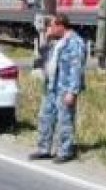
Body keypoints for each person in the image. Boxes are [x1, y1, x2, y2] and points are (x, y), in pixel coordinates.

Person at [30, 13, 87, 164]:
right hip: (51, 86)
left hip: (64, 88)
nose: (49, 28)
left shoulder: (75, 43)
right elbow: (41, 57)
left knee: (65, 120)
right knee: (45, 117)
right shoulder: (57, 42)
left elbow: (77, 68)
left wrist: (72, 92)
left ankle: (65, 151)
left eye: (51, 26)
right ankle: (44, 149)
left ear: (61, 26)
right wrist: (46, 39)